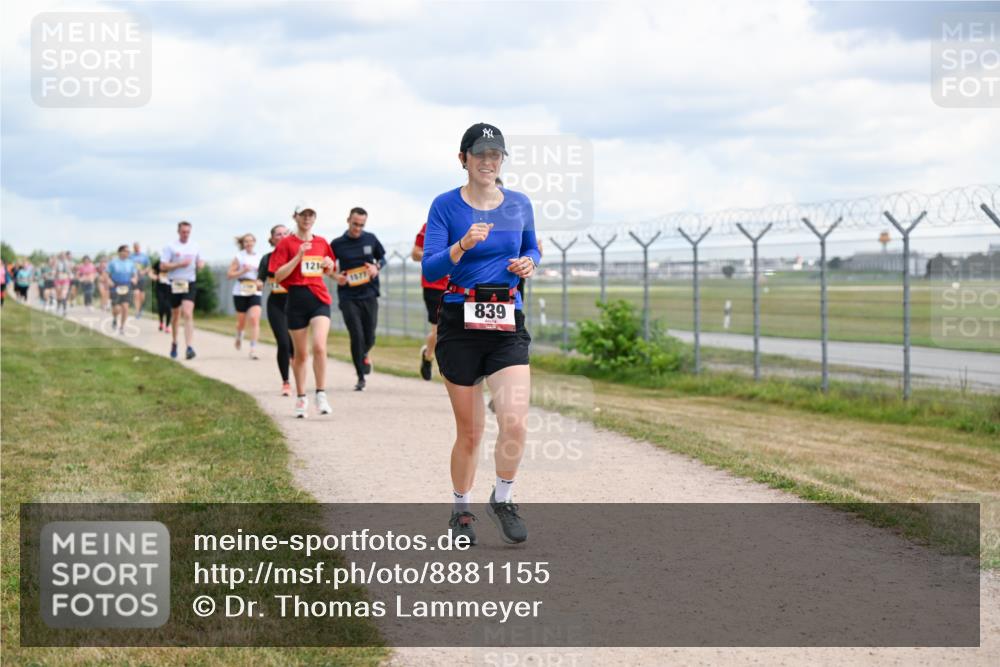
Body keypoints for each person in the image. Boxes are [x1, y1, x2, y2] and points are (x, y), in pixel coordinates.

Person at [422, 122, 540, 546]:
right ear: (463, 159)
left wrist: (529, 262)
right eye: (481, 154)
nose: (489, 161)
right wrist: (462, 246)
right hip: (460, 322)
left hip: (507, 320)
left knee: (515, 422)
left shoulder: (520, 204)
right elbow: (431, 268)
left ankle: (503, 498)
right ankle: (461, 511)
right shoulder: (445, 206)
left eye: (496, 155)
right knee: (470, 431)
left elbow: (532, 247)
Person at [269, 203, 337, 418]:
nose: (307, 218)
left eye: (311, 214)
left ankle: (321, 393)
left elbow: (330, 268)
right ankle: (301, 397)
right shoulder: (286, 244)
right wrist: (298, 256)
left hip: (319, 299)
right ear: (295, 217)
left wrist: (329, 264)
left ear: (314, 218)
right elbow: (278, 276)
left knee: (319, 345)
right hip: (296, 300)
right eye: (303, 215)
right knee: (301, 354)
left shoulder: (321, 242)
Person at [330, 207, 386, 391]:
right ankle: (361, 376)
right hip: (348, 296)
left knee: (369, 336)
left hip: (369, 294)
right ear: (348, 220)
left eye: (361, 225)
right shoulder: (337, 244)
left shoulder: (370, 238)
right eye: (355, 224)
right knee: (356, 335)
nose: (357, 228)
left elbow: (382, 258)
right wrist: (336, 276)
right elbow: (328, 266)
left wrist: (376, 267)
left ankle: (363, 355)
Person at [258, 224, 295, 396]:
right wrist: (259, 283)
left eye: (285, 233)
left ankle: (298, 373)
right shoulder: (267, 259)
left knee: (295, 347)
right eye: (278, 234)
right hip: (276, 305)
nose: (282, 236)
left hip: (296, 304)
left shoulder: (296, 256)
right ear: (272, 239)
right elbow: (260, 279)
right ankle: (286, 382)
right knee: (283, 343)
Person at [412, 222, 450, 381]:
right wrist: (439, 256)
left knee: (456, 331)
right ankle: (428, 356)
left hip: (460, 283)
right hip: (434, 285)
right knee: (439, 330)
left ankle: (453, 373)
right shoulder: (430, 226)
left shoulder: (471, 223)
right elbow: (415, 254)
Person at [160, 221, 204, 360]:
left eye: (188, 232)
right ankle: (174, 342)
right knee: (175, 315)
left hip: (189, 282)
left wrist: (200, 264)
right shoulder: (170, 246)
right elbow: (162, 266)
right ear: (178, 231)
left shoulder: (195, 246)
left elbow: (201, 261)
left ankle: (189, 347)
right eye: (183, 232)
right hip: (174, 283)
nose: (186, 234)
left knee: (187, 313)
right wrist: (179, 264)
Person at [227, 233, 264, 359]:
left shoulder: (260, 257)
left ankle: (253, 348)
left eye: (251, 241)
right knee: (241, 322)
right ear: (243, 244)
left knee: (254, 318)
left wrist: (261, 280)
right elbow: (229, 275)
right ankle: (239, 335)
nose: (248, 244)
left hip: (255, 290)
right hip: (240, 290)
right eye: (246, 241)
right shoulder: (239, 257)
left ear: (254, 242)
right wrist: (243, 271)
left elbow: (263, 274)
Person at [107, 245, 138, 334]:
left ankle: (122, 327)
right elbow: (106, 274)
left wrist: (134, 279)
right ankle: (115, 318)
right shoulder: (113, 262)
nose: (127, 253)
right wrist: (109, 281)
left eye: (128, 252)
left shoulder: (131, 263)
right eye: (125, 251)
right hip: (115, 285)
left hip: (126, 286)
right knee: (117, 308)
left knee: (125, 307)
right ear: (120, 252)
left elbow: (134, 274)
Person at [151, 259, 172, 333]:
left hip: (171, 288)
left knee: (169, 307)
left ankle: (167, 326)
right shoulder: (159, 262)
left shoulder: (175, 261)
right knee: (161, 305)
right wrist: (155, 277)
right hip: (160, 288)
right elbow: (151, 272)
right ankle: (161, 322)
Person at [131, 242, 151, 318]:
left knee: (142, 296)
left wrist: (144, 271)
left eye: (137, 247)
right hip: (134, 278)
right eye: (135, 247)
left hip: (142, 278)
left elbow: (148, 267)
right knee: (136, 294)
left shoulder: (144, 256)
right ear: (133, 248)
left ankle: (141, 308)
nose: (136, 248)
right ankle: (137, 312)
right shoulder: (131, 257)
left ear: (140, 247)